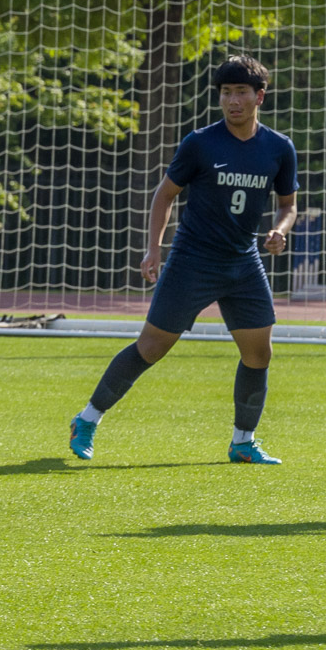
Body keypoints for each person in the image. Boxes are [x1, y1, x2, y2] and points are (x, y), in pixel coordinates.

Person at [69, 55, 298, 465]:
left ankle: (242, 442)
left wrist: (280, 230)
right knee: (152, 347)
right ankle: (87, 419)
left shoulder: (279, 149)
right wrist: (153, 248)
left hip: (243, 263)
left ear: (259, 96)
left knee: (258, 354)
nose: (232, 101)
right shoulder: (200, 143)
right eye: (226, 93)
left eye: (241, 92)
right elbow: (165, 194)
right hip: (192, 260)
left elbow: (289, 205)